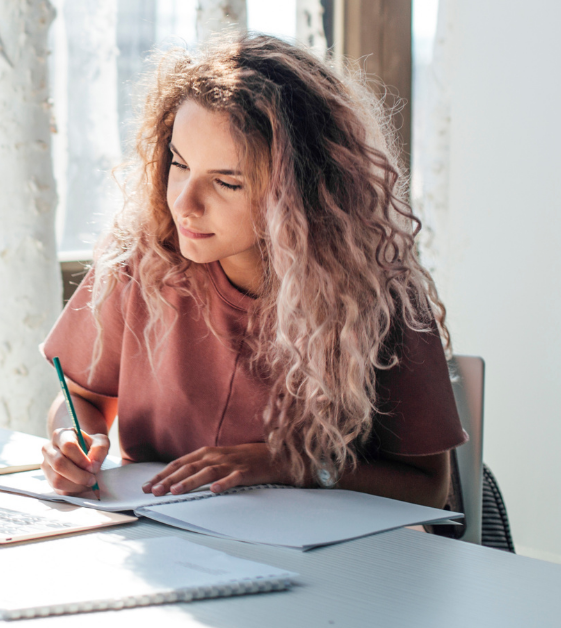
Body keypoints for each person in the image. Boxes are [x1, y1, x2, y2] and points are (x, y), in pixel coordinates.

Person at [40, 35, 467, 509]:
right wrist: (72, 442)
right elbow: (81, 399)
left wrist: (286, 464)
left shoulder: (375, 296)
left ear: (301, 191)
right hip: (169, 544)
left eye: (226, 182)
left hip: (334, 560)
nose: (184, 204)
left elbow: (430, 489)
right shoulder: (140, 263)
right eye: (178, 164)